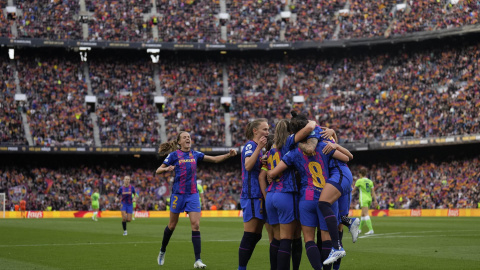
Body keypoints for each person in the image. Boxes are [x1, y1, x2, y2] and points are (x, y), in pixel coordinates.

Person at [156, 131, 237, 269]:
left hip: (193, 194)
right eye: (185, 137)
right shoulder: (174, 155)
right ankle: (162, 250)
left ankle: (198, 260)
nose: (188, 139)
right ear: (179, 142)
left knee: (196, 225)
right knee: (172, 225)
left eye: (189, 137)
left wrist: (228, 155)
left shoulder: (196, 154)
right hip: (178, 194)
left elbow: (215, 159)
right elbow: (158, 170)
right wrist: (167, 169)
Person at [267, 139, 350, 270]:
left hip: (307, 197)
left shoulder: (294, 152)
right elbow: (346, 158)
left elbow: (273, 172)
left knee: (309, 239)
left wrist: (269, 172)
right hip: (326, 194)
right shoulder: (323, 146)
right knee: (326, 237)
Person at [260, 119, 316, 270]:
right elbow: (310, 127)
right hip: (285, 193)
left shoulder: (270, 149)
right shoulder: (288, 143)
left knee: (276, 239)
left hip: (271, 195)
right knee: (287, 239)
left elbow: (264, 172)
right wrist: (311, 121)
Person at [238, 118, 269, 270]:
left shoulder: (258, 147)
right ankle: (241, 268)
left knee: (257, 235)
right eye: (264, 129)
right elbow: (248, 166)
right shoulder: (251, 145)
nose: (267, 132)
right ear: (255, 131)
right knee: (250, 234)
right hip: (251, 195)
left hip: (258, 195)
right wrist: (259, 150)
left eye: (268, 129)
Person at [352, 168, 378, 235]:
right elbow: (373, 192)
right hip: (369, 198)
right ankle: (359, 229)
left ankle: (371, 229)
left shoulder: (359, 181)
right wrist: (375, 200)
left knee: (366, 214)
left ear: (360, 174)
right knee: (363, 214)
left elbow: (353, 190)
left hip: (363, 199)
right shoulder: (370, 181)